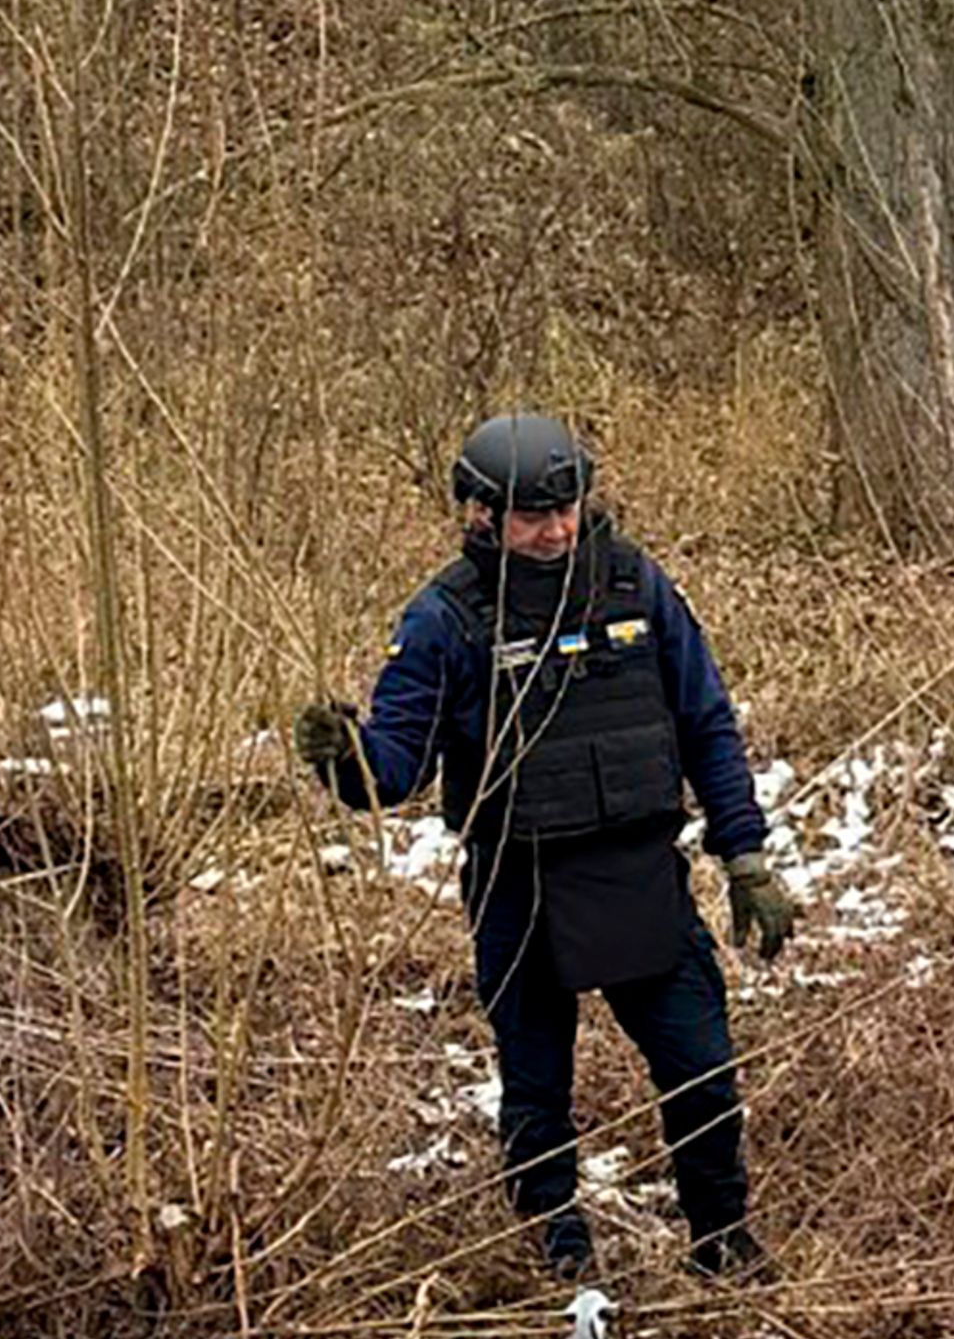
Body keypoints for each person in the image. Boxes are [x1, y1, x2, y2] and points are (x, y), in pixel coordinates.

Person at [296, 412, 802, 1284]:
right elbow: (396, 768)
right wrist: (346, 759)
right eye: (534, 514)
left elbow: (706, 723)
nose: (558, 528)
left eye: (567, 507)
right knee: (537, 1089)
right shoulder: (442, 621)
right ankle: (556, 1254)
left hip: (640, 873)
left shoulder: (637, 587)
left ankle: (723, 1239)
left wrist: (745, 857)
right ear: (481, 515)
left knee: (703, 1072)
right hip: (518, 886)